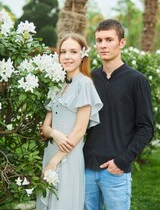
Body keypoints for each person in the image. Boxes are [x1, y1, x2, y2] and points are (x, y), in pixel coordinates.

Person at [83, 19, 154, 210]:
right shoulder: (90, 79)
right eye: (99, 40)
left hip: (115, 171)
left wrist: (122, 161)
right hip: (87, 169)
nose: (103, 45)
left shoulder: (137, 80)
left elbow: (146, 128)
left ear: (121, 42)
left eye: (109, 39)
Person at [36, 33, 103, 210]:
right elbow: (46, 127)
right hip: (51, 150)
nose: (67, 56)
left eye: (73, 51)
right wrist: (55, 133)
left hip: (68, 156)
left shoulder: (85, 84)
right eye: (63, 52)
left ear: (82, 55)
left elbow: (80, 130)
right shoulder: (56, 84)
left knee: (63, 203)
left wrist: (54, 162)